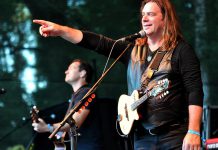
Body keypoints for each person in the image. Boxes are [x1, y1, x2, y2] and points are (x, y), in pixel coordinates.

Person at [33, 0, 204, 149]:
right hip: (141, 137)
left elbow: (195, 91)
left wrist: (194, 130)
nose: (144, 18)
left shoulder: (181, 50)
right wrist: (61, 30)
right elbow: (96, 42)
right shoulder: (132, 50)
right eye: (143, 14)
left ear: (165, 18)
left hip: (173, 135)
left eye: (150, 14)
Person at [32, 59, 103, 150]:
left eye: (71, 68)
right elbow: (66, 129)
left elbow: (74, 123)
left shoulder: (86, 93)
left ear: (82, 73)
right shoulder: (75, 95)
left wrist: (47, 127)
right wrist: (59, 143)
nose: (66, 71)